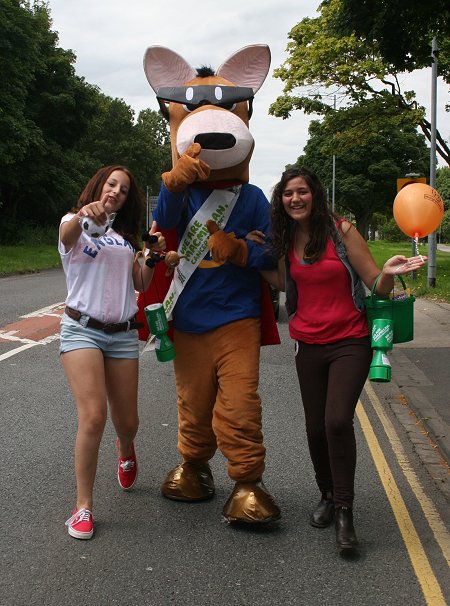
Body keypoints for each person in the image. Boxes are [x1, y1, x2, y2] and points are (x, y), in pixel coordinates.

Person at [260, 166, 427, 549]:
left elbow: (374, 283)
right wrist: (246, 265)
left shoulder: (342, 231)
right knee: (315, 427)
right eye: (288, 194)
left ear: (314, 194)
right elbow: (286, 283)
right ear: (281, 201)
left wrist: (387, 273)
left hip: (350, 341)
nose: (295, 199)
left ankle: (345, 512)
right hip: (307, 343)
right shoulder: (285, 237)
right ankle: (327, 494)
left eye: (301, 191)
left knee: (337, 420)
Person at [58, 165, 165, 540]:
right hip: (81, 329)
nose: (116, 191)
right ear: (99, 187)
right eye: (111, 184)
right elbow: (67, 235)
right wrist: (84, 214)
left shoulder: (125, 238)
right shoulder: (74, 221)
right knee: (92, 416)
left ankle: (126, 447)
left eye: (123, 189)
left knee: (127, 421)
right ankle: (83, 507)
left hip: (121, 335)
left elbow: (139, 282)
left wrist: (151, 258)